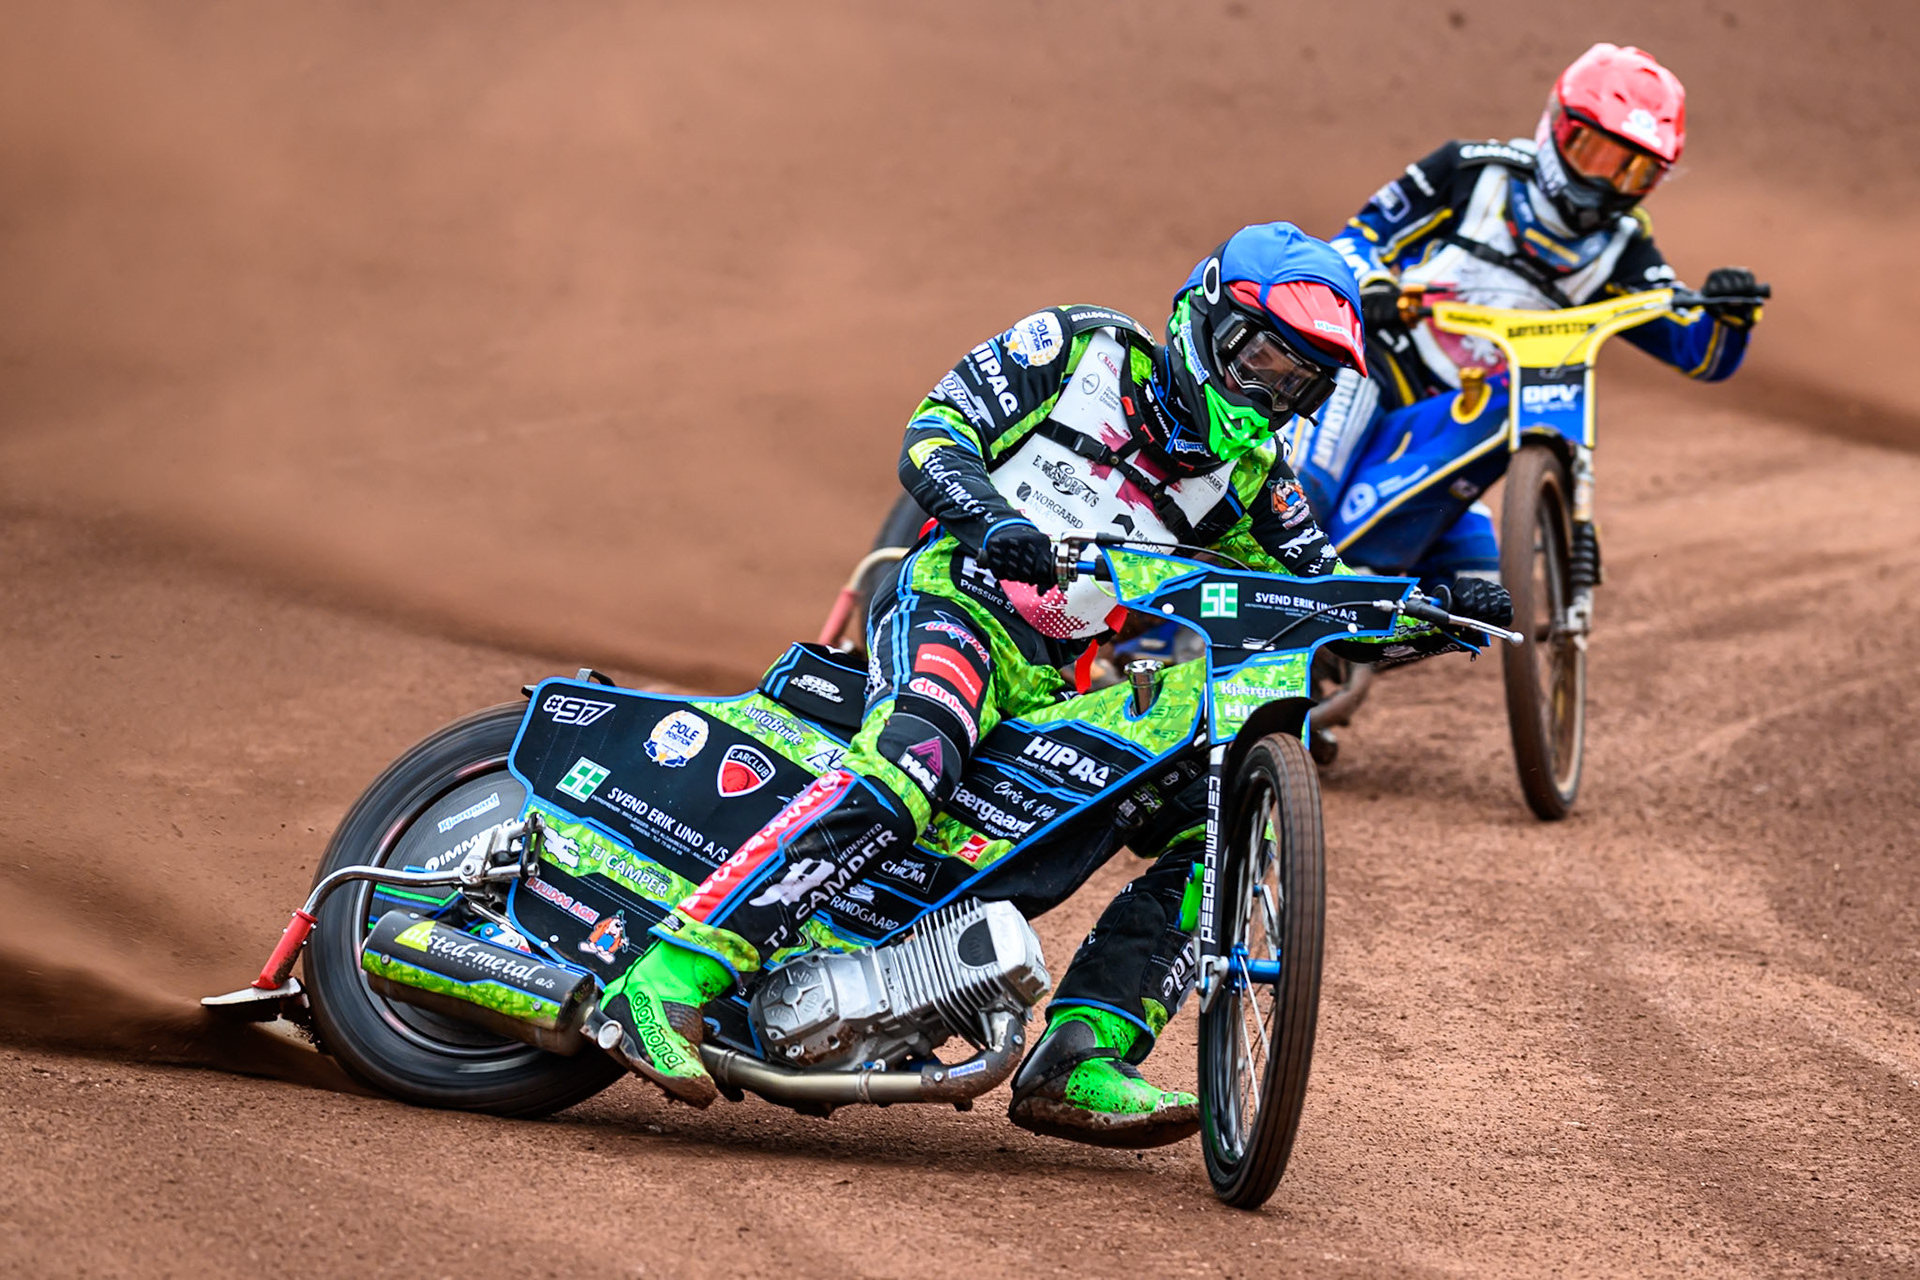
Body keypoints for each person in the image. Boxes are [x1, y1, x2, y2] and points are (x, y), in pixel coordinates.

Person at [586, 223, 1512, 1148]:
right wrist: (992, 524)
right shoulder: (1080, 348)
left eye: (1299, 379)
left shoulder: (1254, 477)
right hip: (959, 607)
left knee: (1210, 817)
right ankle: (665, 980)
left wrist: (1434, 618)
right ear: (1207, 319)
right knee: (917, 756)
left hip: (1060, 677)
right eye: (1265, 355)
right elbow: (933, 434)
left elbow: (1317, 596)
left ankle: (1083, 1053)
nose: (1273, 388)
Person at [1297, 42, 1764, 589]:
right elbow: (1360, 236)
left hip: (1460, 414)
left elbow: (1698, 353)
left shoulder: (1624, 249)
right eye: (1597, 155)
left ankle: (1350, 632)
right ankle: (1211, 633)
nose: (1605, 184)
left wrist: (1730, 316)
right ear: (1559, 127)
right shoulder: (1470, 171)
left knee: (1479, 592)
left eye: (1632, 172)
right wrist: (1373, 285)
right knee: (1305, 496)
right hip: (1374, 369)